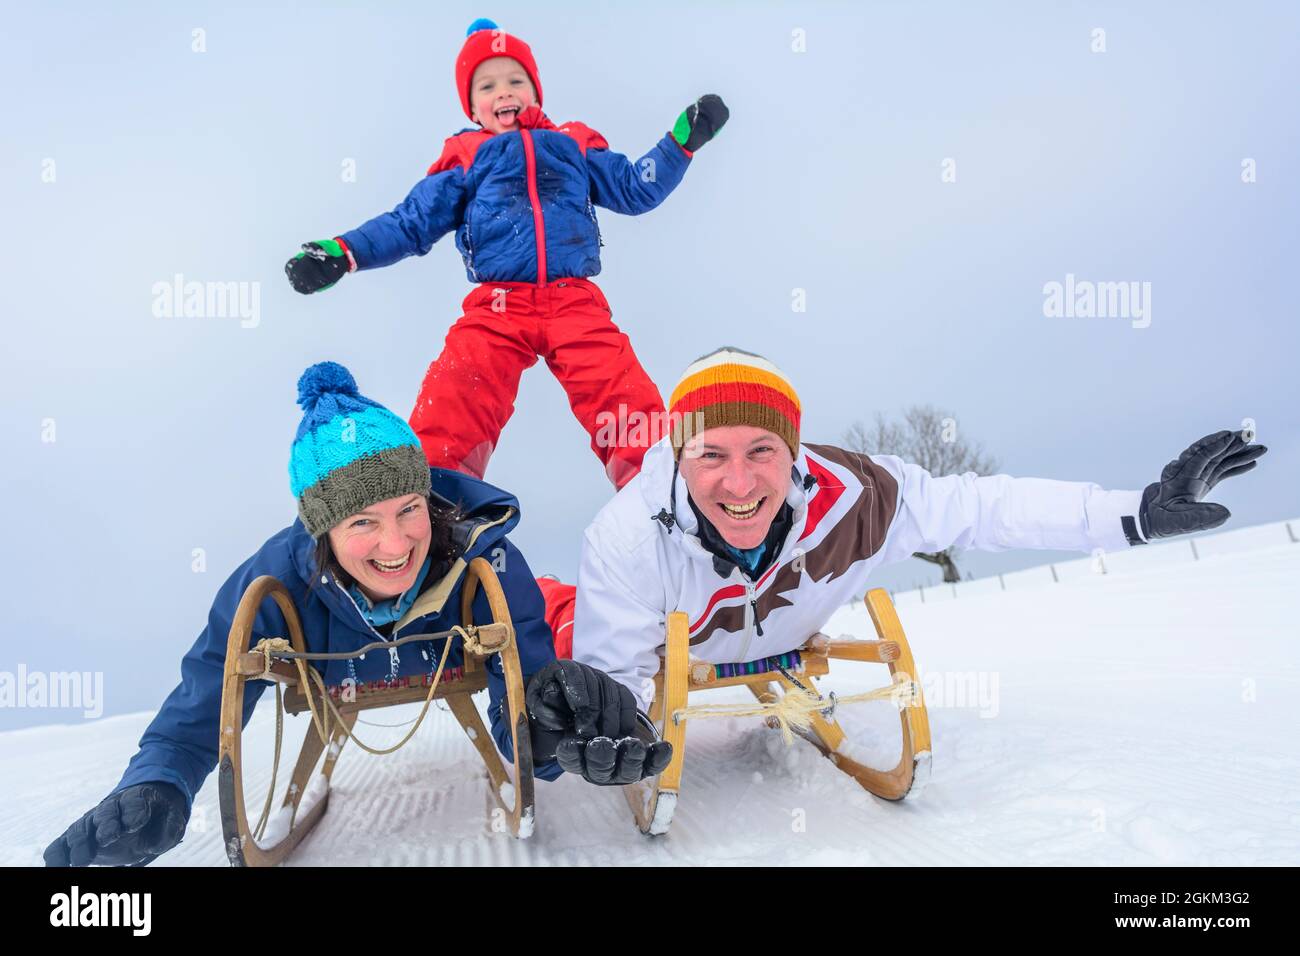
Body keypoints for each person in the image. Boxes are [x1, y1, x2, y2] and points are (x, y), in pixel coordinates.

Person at [43, 361, 668, 867]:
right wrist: (158, 785)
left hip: (444, 653)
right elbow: (207, 692)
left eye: (408, 510)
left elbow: (524, 681)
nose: (395, 545)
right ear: (322, 530)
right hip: (330, 674)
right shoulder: (272, 579)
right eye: (361, 522)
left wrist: (547, 731)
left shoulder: (485, 557)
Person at [540, 347, 1268, 727]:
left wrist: (1133, 512)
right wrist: (617, 728)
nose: (739, 483)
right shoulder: (631, 536)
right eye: (710, 455)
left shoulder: (860, 498)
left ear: (793, 453)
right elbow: (619, 680)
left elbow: (985, 506)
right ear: (678, 455)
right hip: (674, 640)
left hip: (768, 635)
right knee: (562, 625)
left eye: (761, 450)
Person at [284, 19, 729, 490]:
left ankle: (659, 487)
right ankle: (437, 488)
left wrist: (680, 143)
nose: (504, 92)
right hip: (498, 303)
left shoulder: (572, 142)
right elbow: (409, 222)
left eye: (516, 80)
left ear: (536, 91)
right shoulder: (466, 154)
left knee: (617, 387)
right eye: (488, 85)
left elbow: (633, 188)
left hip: (573, 298)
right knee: (460, 385)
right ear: (472, 106)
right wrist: (344, 252)